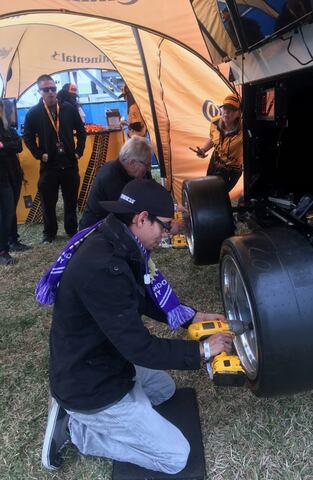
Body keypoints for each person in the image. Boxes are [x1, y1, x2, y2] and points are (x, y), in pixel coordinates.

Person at [39, 178, 232, 473]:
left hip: (103, 358)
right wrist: (202, 351)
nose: (167, 234)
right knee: (175, 457)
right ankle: (80, 432)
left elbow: (140, 299)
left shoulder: (119, 241)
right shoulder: (104, 267)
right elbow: (140, 348)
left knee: (164, 390)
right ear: (142, 218)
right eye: (165, 226)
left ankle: (90, 414)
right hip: (89, 385)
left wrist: (191, 317)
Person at [23, 74, 86, 244]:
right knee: (48, 202)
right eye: (46, 89)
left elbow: (81, 131)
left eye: (53, 88)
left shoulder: (69, 109)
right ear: (40, 91)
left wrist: (78, 151)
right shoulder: (34, 113)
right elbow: (27, 137)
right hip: (49, 165)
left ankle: (72, 230)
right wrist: (39, 154)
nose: (51, 92)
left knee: (71, 199)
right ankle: (49, 233)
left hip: (69, 163)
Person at [79, 135, 152, 229]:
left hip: (114, 226)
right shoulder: (110, 178)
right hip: (96, 231)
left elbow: (150, 191)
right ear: (132, 163)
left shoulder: (135, 173)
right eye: (147, 164)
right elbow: (129, 215)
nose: (149, 168)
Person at [0, 100, 30, 265]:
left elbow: (19, 145)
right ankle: (2, 250)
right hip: (1, 178)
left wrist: (3, 145)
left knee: (11, 211)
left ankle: (13, 241)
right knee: (6, 212)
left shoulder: (8, 128)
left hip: (14, 174)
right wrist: (8, 146)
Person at [194, 94, 243, 192]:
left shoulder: (244, 129)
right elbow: (213, 139)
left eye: (232, 109)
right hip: (214, 163)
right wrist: (203, 149)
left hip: (231, 170)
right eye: (225, 108)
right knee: (209, 190)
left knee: (219, 194)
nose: (227, 112)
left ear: (239, 113)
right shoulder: (215, 122)